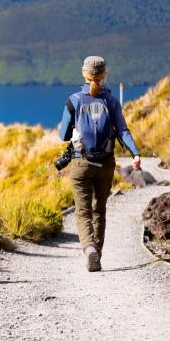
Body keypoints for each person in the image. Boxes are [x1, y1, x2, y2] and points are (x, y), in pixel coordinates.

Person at [59, 56, 141, 272]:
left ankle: (89, 249)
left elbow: (62, 135)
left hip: (80, 163)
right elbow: (123, 130)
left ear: (83, 74)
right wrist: (135, 154)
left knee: (82, 211)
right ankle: (98, 254)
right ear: (104, 75)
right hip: (105, 164)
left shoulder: (74, 100)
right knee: (99, 210)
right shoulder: (112, 102)